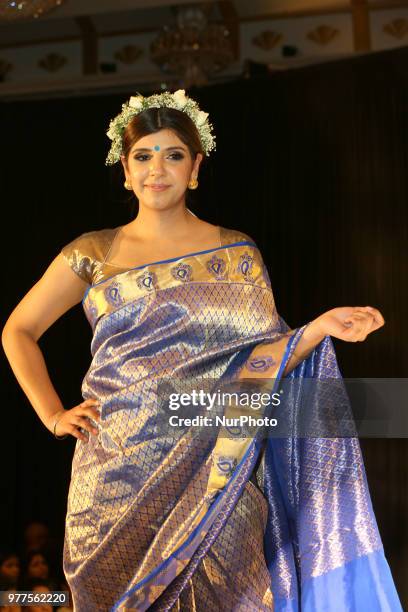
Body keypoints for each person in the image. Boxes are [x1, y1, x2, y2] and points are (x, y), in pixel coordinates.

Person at [1, 89, 402, 611]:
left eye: (173, 155)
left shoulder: (236, 255)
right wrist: (52, 414)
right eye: (143, 156)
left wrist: (319, 327)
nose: (156, 169)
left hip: (220, 471)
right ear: (124, 169)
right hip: (115, 476)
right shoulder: (93, 253)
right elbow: (18, 330)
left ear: (195, 168)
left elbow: (263, 361)